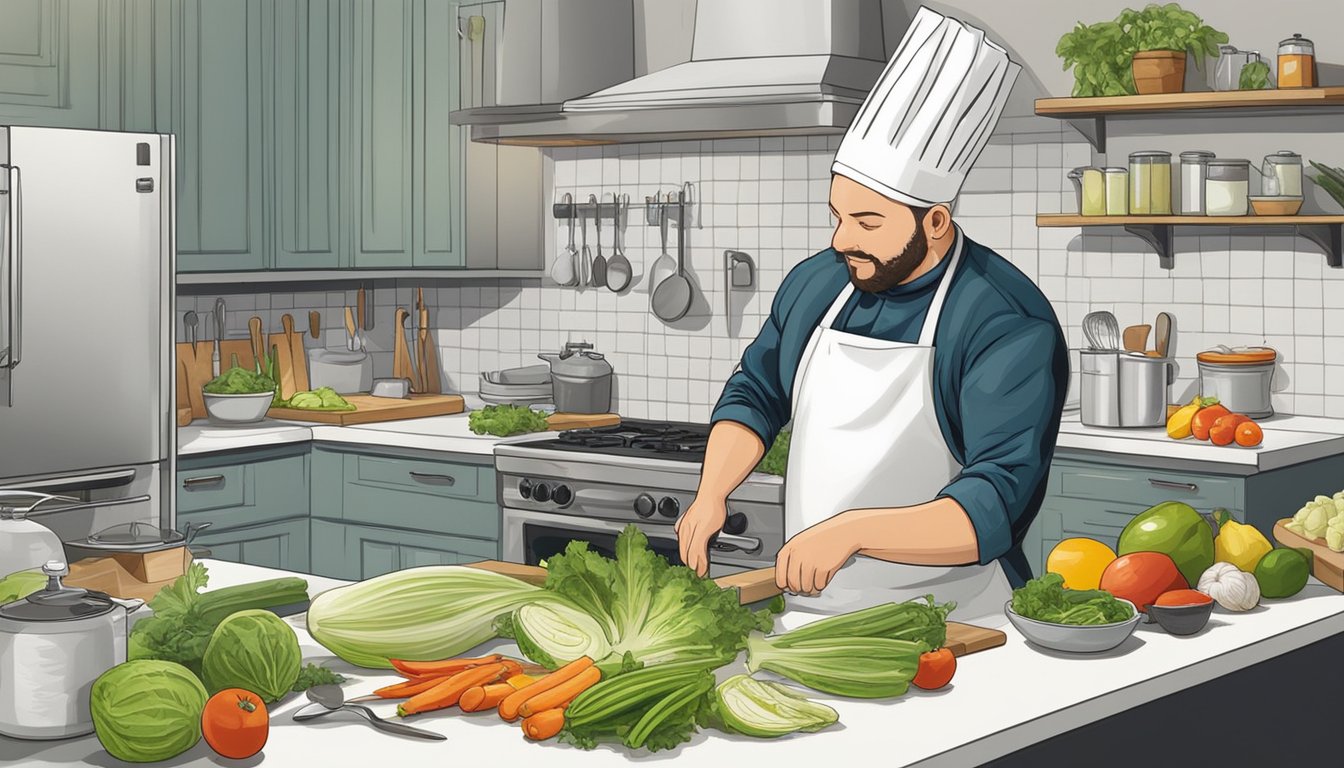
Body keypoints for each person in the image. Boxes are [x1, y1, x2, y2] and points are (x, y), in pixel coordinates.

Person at [675, 6, 1069, 622]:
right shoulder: (818, 284)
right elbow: (756, 392)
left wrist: (851, 532)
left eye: (866, 222)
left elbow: (995, 501)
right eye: (837, 215)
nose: (840, 239)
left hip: (957, 624)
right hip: (814, 614)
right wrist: (711, 493)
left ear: (935, 222)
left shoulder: (1004, 318)